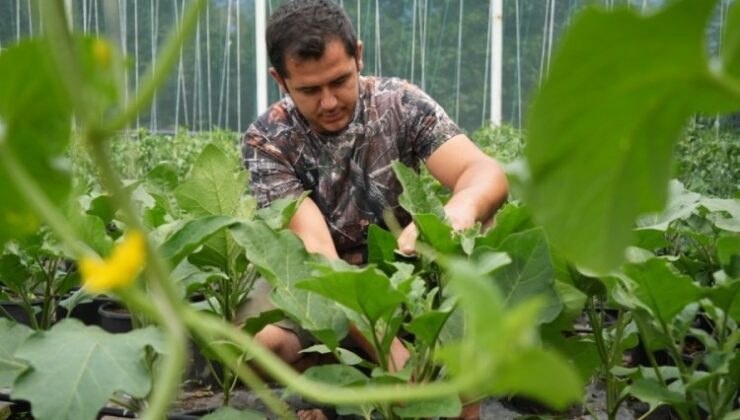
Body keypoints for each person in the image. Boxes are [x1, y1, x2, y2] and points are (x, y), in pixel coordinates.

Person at [241, 0, 508, 418]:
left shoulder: (399, 104)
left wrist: (458, 210)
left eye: (340, 81)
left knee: (484, 218)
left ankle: (459, 392)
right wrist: (390, 352)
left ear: (358, 56)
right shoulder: (268, 139)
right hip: (322, 282)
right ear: (281, 79)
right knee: (250, 345)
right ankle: (346, 370)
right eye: (309, 90)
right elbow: (318, 257)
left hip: (401, 273)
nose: (329, 102)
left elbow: (483, 171)